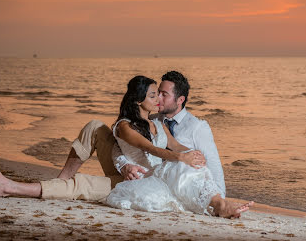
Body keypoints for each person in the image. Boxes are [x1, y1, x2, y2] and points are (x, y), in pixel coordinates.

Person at [105, 75, 252, 217]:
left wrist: (194, 154)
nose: (158, 99)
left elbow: (176, 145)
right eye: (154, 95)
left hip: (159, 173)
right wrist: (182, 158)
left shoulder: (160, 123)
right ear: (138, 100)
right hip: (143, 177)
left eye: (162, 95)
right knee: (180, 165)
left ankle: (219, 202)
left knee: (189, 164)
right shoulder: (125, 126)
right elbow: (151, 149)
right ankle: (220, 205)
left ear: (180, 99)